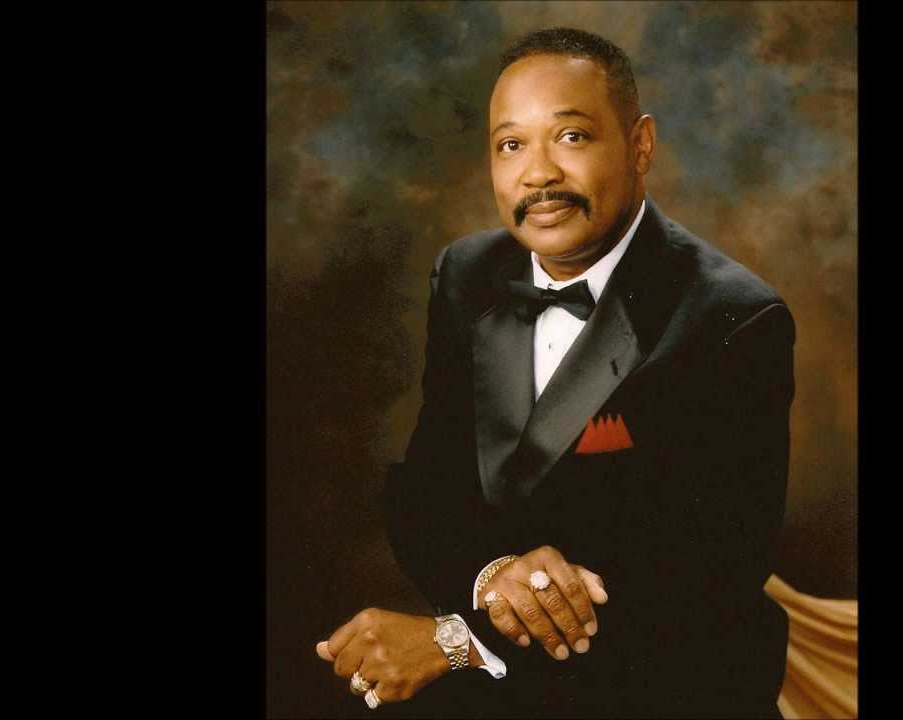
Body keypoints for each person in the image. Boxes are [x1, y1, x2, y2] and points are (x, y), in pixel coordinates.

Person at [316, 27, 796, 718]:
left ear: (640, 146)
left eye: (571, 136)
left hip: (673, 689)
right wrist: (491, 575)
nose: (537, 173)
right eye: (511, 144)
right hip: (510, 692)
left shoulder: (737, 319)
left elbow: (704, 581)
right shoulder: (465, 275)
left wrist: (457, 642)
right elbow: (428, 490)